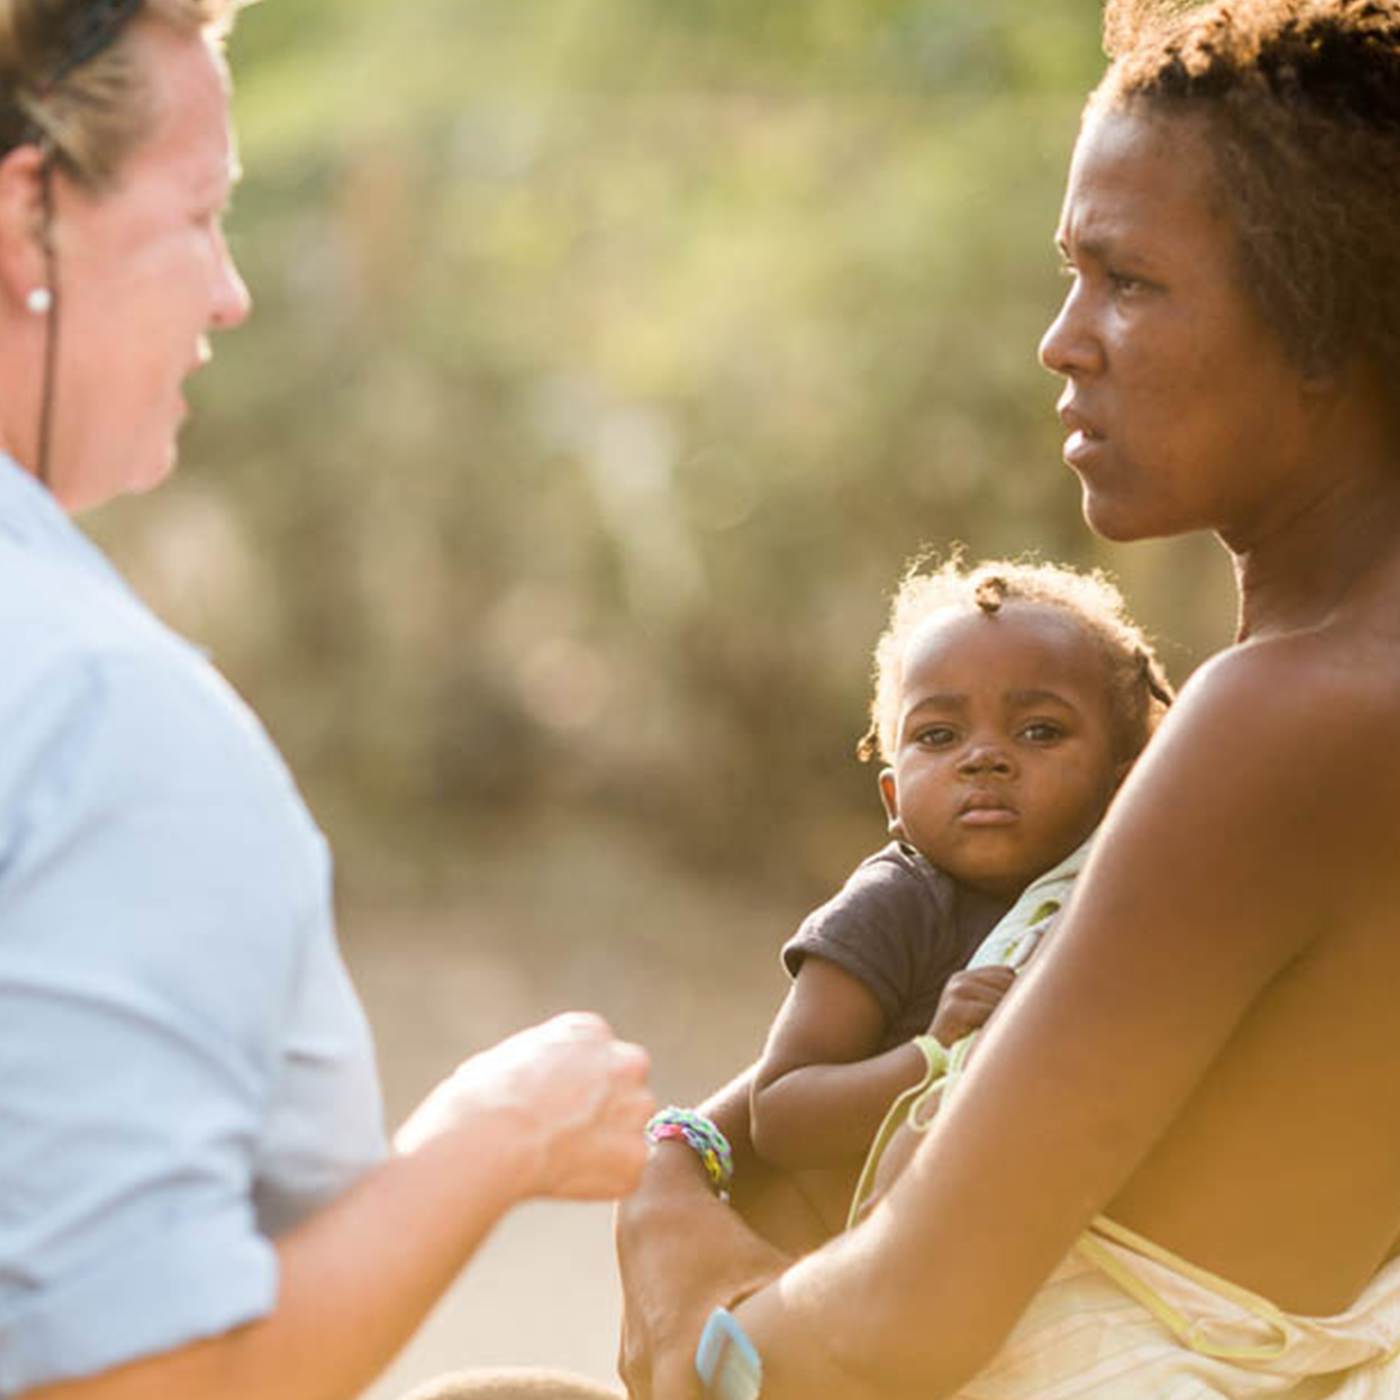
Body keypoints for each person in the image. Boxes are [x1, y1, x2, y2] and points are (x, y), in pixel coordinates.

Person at [614, 0, 1400, 1394]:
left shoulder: (1291, 719)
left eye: (1128, 281)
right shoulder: (1307, 698)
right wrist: (692, 1149)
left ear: (1328, 316)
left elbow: (904, 1319)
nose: (1063, 341)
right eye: (1068, 274)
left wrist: (695, 1324)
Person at [0, 5, 652, 1399]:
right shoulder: (97, 712)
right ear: (27, 219)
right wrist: (497, 1138)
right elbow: (134, 1387)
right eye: (197, 217)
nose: (231, 292)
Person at [747, 556, 1172, 1245]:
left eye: (1039, 731)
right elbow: (778, 1114)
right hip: (832, 1272)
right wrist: (931, 1056)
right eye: (938, 736)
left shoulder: (1119, 909)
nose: (983, 759)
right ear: (892, 798)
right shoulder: (894, 905)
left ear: (1125, 784)